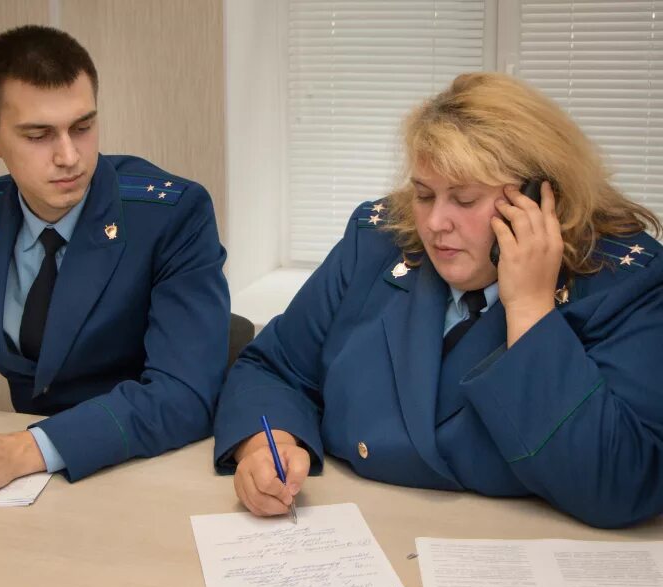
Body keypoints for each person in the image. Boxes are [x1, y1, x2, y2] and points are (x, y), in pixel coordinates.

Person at [213, 72, 663, 529]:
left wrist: (530, 309)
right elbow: (275, 369)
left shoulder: (623, 280)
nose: (435, 224)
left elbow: (623, 483)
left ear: (541, 200)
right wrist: (266, 446)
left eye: (464, 200)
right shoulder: (377, 241)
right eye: (424, 195)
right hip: (356, 528)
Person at [0, 25, 229, 495]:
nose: (69, 156)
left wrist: (23, 450)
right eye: (39, 135)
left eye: (83, 127)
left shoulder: (172, 214)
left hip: (145, 471)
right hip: (27, 490)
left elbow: (184, 393)